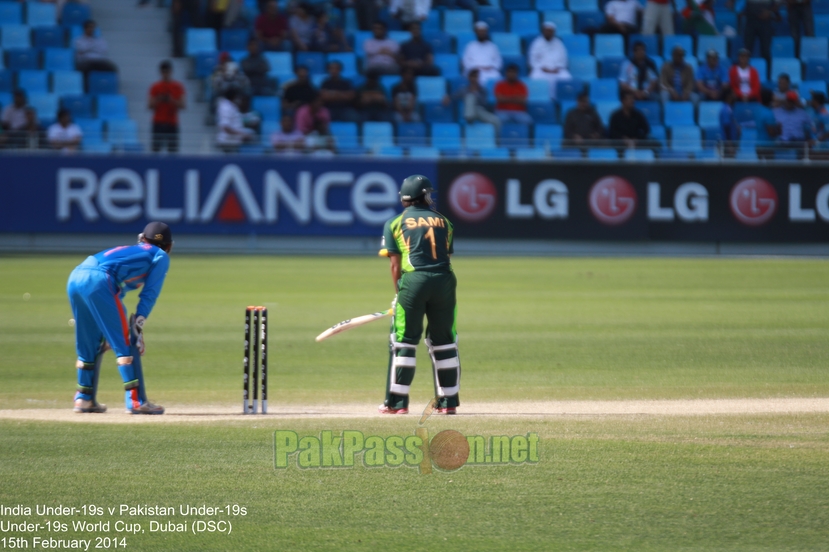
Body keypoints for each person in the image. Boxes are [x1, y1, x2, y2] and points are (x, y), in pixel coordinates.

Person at [67, 221, 172, 415]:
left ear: (142, 239)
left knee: (89, 343)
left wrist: (111, 327)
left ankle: (83, 398)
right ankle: (136, 401)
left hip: (76, 276)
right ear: (169, 246)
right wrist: (138, 327)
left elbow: (117, 292)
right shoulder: (160, 256)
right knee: (125, 342)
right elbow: (149, 295)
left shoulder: (134, 251)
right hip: (100, 281)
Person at [378, 175, 460, 415]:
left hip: (413, 281)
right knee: (445, 342)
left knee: (403, 341)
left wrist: (399, 293)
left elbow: (395, 266)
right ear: (424, 195)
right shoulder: (445, 221)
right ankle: (449, 402)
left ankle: (397, 403)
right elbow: (445, 256)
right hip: (445, 281)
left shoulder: (394, 222)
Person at [148, 60, 186, 153]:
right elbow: (149, 105)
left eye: (167, 72)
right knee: (155, 150)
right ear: (160, 72)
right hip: (158, 122)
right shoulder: (155, 87)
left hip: (172, 122)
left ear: (171, 72)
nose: (165, 74)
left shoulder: (178, 86)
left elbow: (183, 105)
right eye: (163, 72)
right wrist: (159, 99)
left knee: (173, 151)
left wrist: (172, 100)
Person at [528, 21, 571, 100]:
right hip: (541, 70)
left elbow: (563, 59)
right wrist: (542, 68)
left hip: (556, 70)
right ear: (543, 31)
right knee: (534, 77)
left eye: (550, 31)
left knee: (567, 77)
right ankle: (541, 98)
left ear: (553, 32)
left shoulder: (559, 43)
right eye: (546, 31)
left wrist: (557, 68)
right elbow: (532, 59)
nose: (548, 33)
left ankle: (562, 99)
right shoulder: (536, 43)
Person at [773, 90, 815, 157]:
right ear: (785, 100)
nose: (790, 103)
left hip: (799, 142)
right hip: (783, 141)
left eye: (792, 101)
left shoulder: (802, 113)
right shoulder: (776, 112)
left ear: (795, 102)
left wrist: (812, 134)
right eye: (789, 100)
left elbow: (812, 124)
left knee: (807, 148)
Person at [755, 87, 780, 159]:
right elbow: (771, 132)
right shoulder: (769, 114)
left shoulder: (758, 110)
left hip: (758, 145)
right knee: (769, 169)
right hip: (767, 146)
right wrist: (778, 130)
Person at [720, 87, 739, 157]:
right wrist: (730, 146)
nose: (735, 96)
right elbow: (726, 128)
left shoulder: (730, 108)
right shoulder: (726, 110)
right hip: (728, 145)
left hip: (730, 144)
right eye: (733, 94)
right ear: (729, 96)